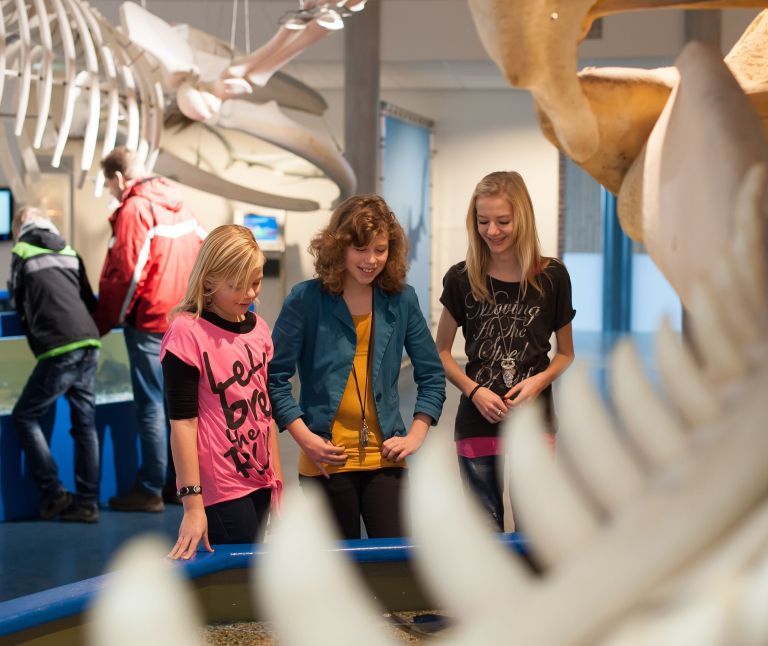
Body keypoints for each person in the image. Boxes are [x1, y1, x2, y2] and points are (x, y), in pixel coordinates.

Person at [269, 194, 445, 540]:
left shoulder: (402, 299)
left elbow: (432, 375)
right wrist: (306, 439)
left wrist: (416, 435)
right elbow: (274, 379)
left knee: (392, 565)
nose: (371, 260)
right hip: (326, 460)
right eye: (360, 249)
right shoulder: (305, 300)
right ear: (339, 248)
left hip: (386, 459)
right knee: (338, 574)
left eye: (380, 249)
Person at [435, 171, 575, 532]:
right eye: (483, 221)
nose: (492, 231)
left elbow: (564, 354)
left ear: (522, 219)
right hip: (477, 420)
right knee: (485, 533)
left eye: (503, 221)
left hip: (534, 422)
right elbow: (443, 353)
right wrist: (474, 391)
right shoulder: (461, 278)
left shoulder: (552, 277)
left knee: (534, 529)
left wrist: (538, 383)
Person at [160, 225, 282, 559]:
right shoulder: (186, 333)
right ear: (209, 280)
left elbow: (265, 411)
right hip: (220, 487)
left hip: (259, 477)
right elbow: (182, 424)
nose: (250, 294)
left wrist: (276, 482)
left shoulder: (259, 328)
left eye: (255, 283)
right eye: (238, 286)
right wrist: (192, 504)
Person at [95, 146, 206, 513]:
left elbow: (128, 274)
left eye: (110, 185)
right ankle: (181, 484)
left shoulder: (135, 208)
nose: (112, 192)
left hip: (150, 322)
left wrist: (107, 319)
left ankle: (149, 489)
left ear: (119, 178)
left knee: (151, 406)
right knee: (181, 404)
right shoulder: (180, 203)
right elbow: (206, 252)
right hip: (185, 320)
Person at [8, 206, 101, 523]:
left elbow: (16, 300)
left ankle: (55, 493)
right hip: (89, 341)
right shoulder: (70, 249)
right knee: (85, 426)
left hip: (59, 346)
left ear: (20, 227)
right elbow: (89, 300)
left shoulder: (21, 249)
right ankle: (88, 504)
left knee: (24, 415)